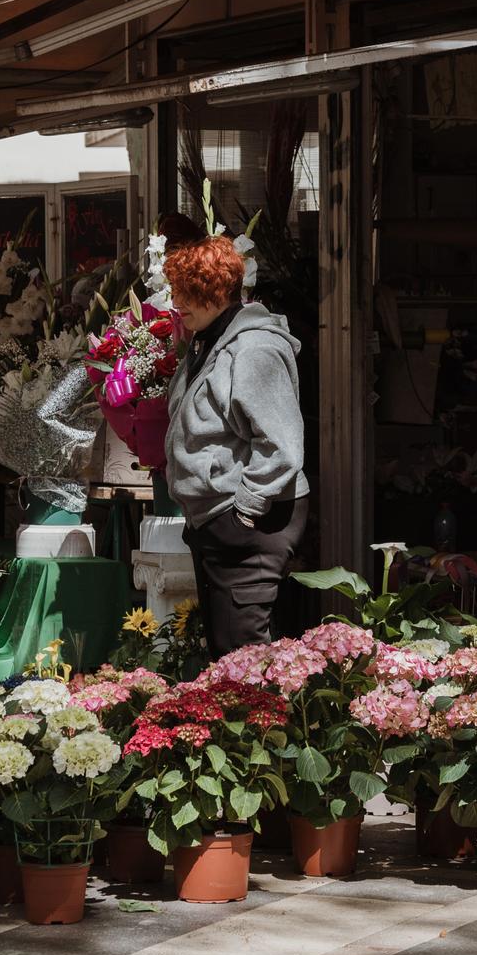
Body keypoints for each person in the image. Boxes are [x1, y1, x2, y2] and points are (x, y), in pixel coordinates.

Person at [163, 235, 309, 656]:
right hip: (219, 518)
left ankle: (263, 722)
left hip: (250, 520)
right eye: (176, 290)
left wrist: (244, 509)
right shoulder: (207, 341)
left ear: (216, 291)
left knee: (242, 653)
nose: (176, 302)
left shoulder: (254, 348)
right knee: (227, 650)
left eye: (188, 292)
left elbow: (282, 443)